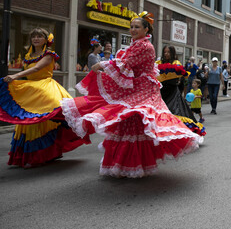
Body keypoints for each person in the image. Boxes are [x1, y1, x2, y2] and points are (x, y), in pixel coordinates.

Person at [60, 12, 201, 178]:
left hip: (144, 91)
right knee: (127, 122)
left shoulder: (144, 46)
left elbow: (125, 63)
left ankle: (131, 165)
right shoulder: (136, 44)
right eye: (132, 27)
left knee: (134, 121)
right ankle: (127, 164)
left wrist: (102, 64)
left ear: (146, 29)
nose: (133, 30)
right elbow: (125, 64)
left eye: (137, 27)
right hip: (135, 89)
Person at [0, 28, 89, 167]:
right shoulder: (28, 55)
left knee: (43, 118)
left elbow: (36, 69)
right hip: (31, 89)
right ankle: (27, 156)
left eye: (39, 36)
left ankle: (42, 155)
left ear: (45, 40)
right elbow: (28, 71)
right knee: (27, 118)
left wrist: (15, 76)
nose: (36, 39)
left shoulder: (49, 54)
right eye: (33, 36)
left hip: (45, 88)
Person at [156, 46, 205, 140]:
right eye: (165, 52)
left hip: (172, 92)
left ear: (172, 53)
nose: (166, 54)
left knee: (175, 111)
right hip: (161, 92)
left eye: (168, 52)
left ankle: (176, 134)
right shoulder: (158, 63)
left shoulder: (176, 63)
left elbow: (181, 75)